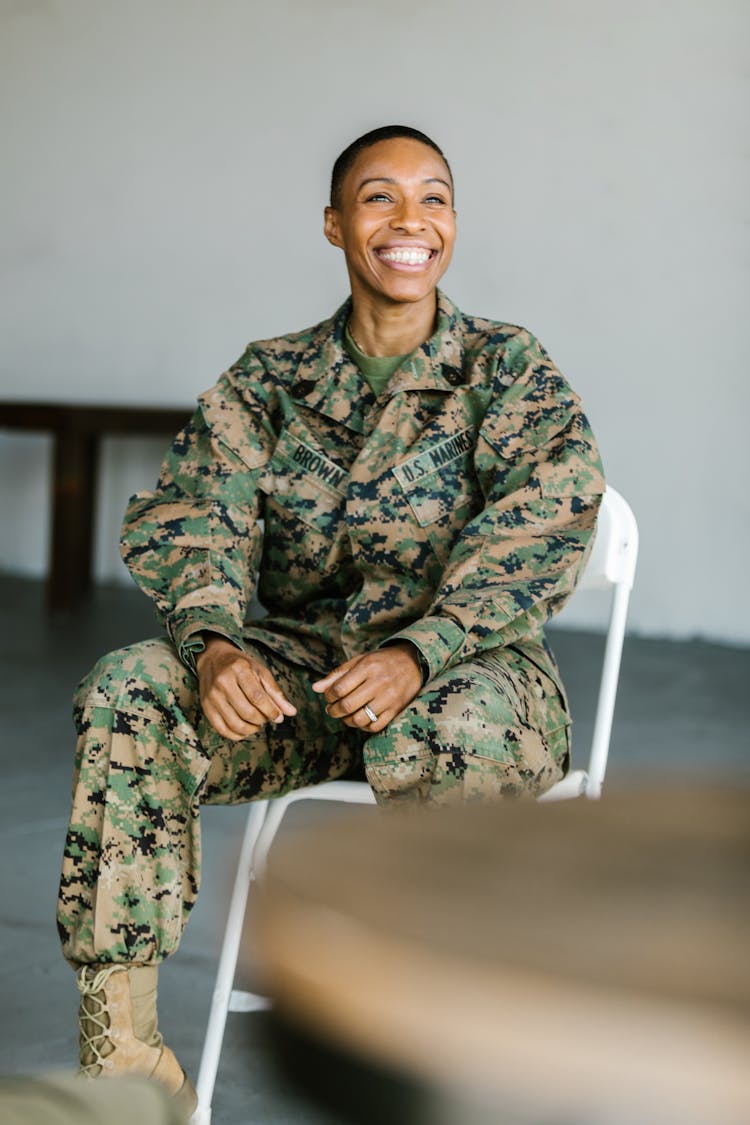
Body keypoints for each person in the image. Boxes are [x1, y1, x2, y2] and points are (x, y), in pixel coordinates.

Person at [57, 125, 604, 1109]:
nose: (411, 221)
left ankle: (440, 1053)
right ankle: (123, 1061)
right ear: (335, 224)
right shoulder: (270, 380)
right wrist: (215, 644)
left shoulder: (504, 368)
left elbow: (548, 519)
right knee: (131, 690)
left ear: (453, 224)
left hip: (472, 675)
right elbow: (195, 512)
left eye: (434, 197)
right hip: (305, 679)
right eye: (379, 197)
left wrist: (420, 649)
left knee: (456, 723)